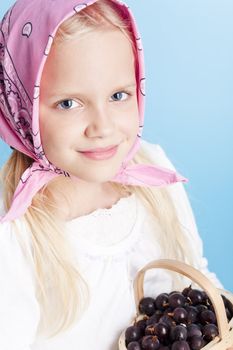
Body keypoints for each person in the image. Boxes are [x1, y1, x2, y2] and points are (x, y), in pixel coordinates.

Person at [0, 0, 226, 349]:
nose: (102, 128)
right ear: (21, 109)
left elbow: (197, 285)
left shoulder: (155, 173)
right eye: (68, 103)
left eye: (119, 95)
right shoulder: (16, 236)